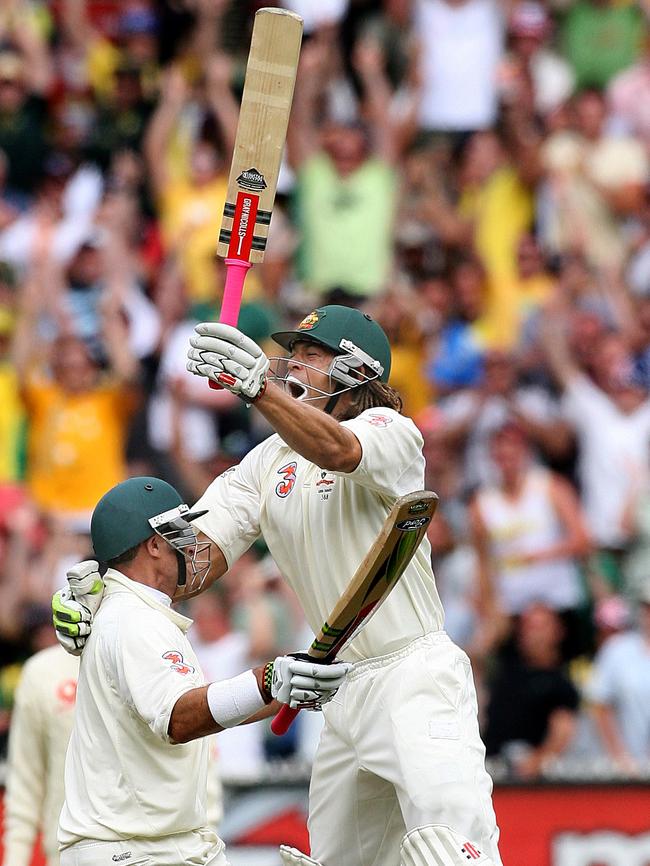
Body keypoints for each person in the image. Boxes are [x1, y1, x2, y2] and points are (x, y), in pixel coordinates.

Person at [56, 304, 504, 866]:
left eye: (311, 356)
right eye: (292, 354)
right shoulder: (265, 463)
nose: (293, 366)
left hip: (413, 672)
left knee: (453, 848)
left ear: (355, 369)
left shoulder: (394, 433)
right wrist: (109, 597)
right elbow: (192, 562)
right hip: (339, 689)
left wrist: (257, 392)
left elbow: (340, 451)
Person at [52, 476, 350, 866]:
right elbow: (180, 718)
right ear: (154, 545)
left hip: (149, 844)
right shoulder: (135, 621)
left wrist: (286, 691)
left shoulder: (138, 614)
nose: (190, 545)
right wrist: (268, 679)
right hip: (132, 849)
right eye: (177, 532)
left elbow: (206, 709)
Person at [2, 643, 78, 866]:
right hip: (68, 854)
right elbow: (24, 785)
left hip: (154, 853)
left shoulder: (153, 656)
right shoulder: (42, 672)